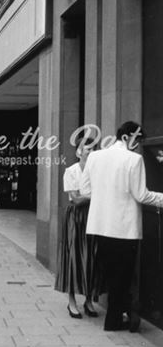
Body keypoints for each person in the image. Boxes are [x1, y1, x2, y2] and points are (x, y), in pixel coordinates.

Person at [81, 121, 163, 332]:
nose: (138, 145)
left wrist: (106, 196)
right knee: (123, 277)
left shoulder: (95, 157)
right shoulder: (134, 160)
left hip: (100, 226)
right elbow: (141, 195)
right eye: (137, 140)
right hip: (124, 229)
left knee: (111, 274)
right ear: (127, 137)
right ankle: (114, 321)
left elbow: (85, 190)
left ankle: (114, 319)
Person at [54, 134, 101, 319]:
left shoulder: (98, 171)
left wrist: (87, 196)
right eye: (87, 148)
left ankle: (89, 300)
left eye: (93, 148)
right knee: (74, 257)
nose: (91, 152)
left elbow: (83, 196)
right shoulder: (71, 171)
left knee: (92, 256)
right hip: (76, 218)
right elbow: (75, 198)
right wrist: (93, 195)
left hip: (94, 215)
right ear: (79, 151)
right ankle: (72, 302)